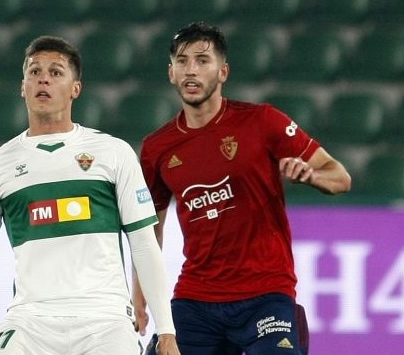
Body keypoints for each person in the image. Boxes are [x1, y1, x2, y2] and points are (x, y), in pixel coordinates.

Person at [0, 35, 180, 355]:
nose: (43, 78)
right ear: (22, 86)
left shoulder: (113, 154)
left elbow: (144, 244)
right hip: (30, 321)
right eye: (34, 71)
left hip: (105, 320)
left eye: (55, 72)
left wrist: (166, 331)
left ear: (75, 89)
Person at [132, 22, 352, 355]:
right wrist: (140, 297)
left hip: (265, 295)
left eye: (202, 61)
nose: (191, 70)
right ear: (171, 73)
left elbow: (341, 177)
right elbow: (149, 229)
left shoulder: (262, 121)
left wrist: (312, 176)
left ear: (223, 72)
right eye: (182, 61)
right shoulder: (157, 147)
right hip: (195, 298)